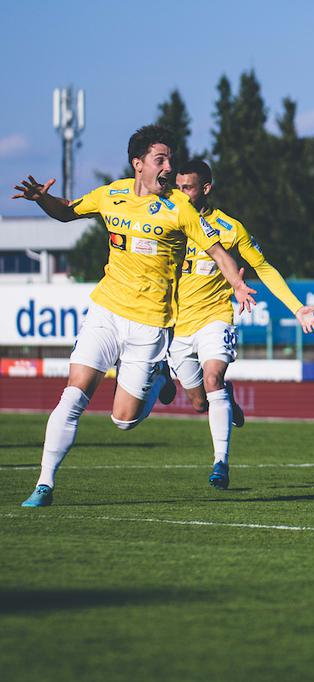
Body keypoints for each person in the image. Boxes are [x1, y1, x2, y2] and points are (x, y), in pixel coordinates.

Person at [13, 125, 256, 507]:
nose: (169, 167)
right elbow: (66, 212)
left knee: (122, 420)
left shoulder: (179, 207)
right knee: (74, 393)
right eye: (161, 159)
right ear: (138, 164)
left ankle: (160, 372)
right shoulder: (112, 194)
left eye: (171, 160)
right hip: (106, 310)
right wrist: (43, 200)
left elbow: (218, 252)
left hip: (150, 322)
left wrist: (238, 284)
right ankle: (44, 484)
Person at [172, 160, 314, 489]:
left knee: (213, 378)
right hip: (177, 325)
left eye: (188, 187)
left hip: (215, 317)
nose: (182, 193)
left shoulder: (230, 228)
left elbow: (264, 268)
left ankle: (220, 463)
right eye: (178, 186)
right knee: (199, 402)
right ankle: (224, 398)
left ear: (206, 189)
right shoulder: (169, 219)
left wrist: (297, 308)